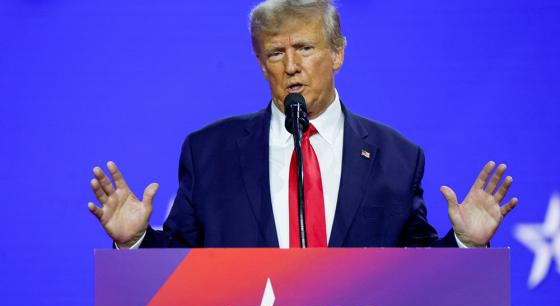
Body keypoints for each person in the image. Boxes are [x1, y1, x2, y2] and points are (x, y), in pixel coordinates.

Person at [88, 0, 517, 249]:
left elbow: (419, 275)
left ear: (338, 53)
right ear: (260, 63)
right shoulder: (209, 152)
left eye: (305, 48)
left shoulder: (396, 157)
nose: (291, 66)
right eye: (276, 53)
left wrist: (466, 245)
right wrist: (136, 240)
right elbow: (179, 265)